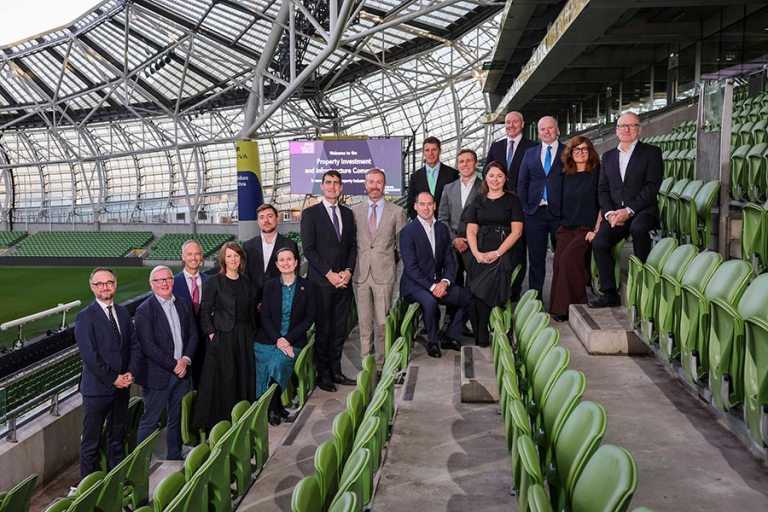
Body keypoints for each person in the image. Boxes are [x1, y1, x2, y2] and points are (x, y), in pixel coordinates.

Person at [589, 112, 663, 308]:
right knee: (600, 241)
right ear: (616, 130)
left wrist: (629, 210)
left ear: (639, 130)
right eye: (622, 126)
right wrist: (609, 213)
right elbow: (603, 189)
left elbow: (652, 187)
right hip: (615, 214)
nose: (626, 130)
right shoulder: (608, 156)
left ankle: (642, 284)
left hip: (642, 211)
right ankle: (609, 293)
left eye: (631, 126)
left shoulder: (652, 153)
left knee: (639, 229)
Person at [75, 267, 138, 477]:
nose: (105, 287)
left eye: (109, 282)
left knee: (117, 439)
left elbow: (133, 345)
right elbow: (90, 356)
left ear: (115, 284)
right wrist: (113, 379)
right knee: (91, 443)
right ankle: (88, 487)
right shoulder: (85, 317)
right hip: (97, 391)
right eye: (100, 284)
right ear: (92, 287)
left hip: (122, 388)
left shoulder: (122, 312)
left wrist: (130, 373)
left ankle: (116, 483)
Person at [301, 170, 358, 392]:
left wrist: (348, 271)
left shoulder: (348, 214)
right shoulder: (310, 214)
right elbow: (309, 250)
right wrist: (329, 274)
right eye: (328, 182)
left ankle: (336, 370)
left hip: (344, 282)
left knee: (339, 329)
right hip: (322, 283)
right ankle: (323, 375)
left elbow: (352, 246)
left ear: (341, 187)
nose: (332, 186)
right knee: (323, 330)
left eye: (336, 183)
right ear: (322, 186)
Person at [134, 266, 198, 460]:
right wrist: (174, 365)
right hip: (158, 376)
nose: (164, 283)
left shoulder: (183, 304)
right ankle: (140, 464)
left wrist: (185, 360)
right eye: (159, 280)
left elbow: (193, 335)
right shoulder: (144, 310)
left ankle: (174, 455)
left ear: (173, 281)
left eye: (168, 279)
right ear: (151, 285)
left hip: (182, 373)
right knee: (150, 421)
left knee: (176, 418)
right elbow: (148, 346)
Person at [192, 242, 256, 431]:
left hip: (244, 337)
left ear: (241, 258)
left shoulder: (246, 281)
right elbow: (205, 311)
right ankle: (222, 426)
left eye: (236, 255)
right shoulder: (214, 281)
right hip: (223, 338)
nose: (233, 259)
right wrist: (212, 334)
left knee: (243, 379)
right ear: (223, 259)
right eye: (229, 256)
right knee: (225, 381)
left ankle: (242, 421)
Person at [400, 191, 470, 358]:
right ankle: (433, 341)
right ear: (415, 206)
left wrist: (444, 282)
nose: (426, 208)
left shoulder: (442, 229)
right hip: (414, 285)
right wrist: (433, 287)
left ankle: (450, 336)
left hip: (438, 283)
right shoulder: (408, 232)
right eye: (422, 204)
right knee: (430, 302)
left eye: (429, 204)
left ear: (435, 206)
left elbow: (449, 261)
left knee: (468, 297)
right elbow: (411, 268)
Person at [465, 162, 525, 347]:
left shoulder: (513, 200)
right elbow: (471, 230)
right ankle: (480, 334)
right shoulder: (478, 200)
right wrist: (476, 253)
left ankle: (482, 334)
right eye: (491, 175)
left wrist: (497, 253)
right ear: (485, 177)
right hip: (479, 250)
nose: (495, 179)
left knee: (482, 291)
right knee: (472, 295)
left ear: (505, 178)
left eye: (499, 176)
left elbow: (517, 232)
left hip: (503, 251)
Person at [254, 247, 315, 426]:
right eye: (282, 260)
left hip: (294, 340)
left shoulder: (307, 286)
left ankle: (271, 408)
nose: (286, 263)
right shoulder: (270, 286)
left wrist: (286, 340)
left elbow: (309, 318)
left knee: (278, 364)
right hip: (268, 339)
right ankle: (277, 407)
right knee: (264, 364)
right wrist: (279, 340)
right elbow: (265, 316)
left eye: (289, 259)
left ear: (296, 262)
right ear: (277, 264)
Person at [351, 168, 407, 366]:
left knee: (383, 323)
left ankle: (382, 365)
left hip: (384, 275)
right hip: (360, 275)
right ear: (365, 185)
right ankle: (366, 365)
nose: (375, 186)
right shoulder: (354, 211)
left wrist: (387, 263)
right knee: (364, 323)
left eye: (379, 182)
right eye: (371, 182)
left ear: (384, 185)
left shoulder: (397, 212)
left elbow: (401, 247)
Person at [485, 111, 537, 300]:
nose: (511, 126)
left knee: (518, 248)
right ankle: (499, 285)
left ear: (522, 124)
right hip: (499, 203)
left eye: (515, 122)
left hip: (522, 205)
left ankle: (515, 288)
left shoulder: (532, 147)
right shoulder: (496, 146)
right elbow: (487, 171)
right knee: (498, 243)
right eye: (508, 122)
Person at [549, 137, 602, 321]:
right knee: (558, 262)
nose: (580, 153)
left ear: (590, 152)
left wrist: (596, 229)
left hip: (586, 228)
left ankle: (567, 307)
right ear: (570, 153)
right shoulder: (565, 174)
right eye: (576, 149)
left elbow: (603, 204)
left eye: (585, 149)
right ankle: (560, 306)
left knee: (568, 260)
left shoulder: (597, 173)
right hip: (566, 228)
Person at [517, 116, 565, 298]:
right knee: (536, 261)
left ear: (557, 130)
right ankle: (535, 300)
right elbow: (522, 182)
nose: (546, 132)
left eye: (550, 128)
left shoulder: (567, 152)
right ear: (538, 133)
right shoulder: (530, 153)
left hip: (560, 214)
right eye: (542, 129)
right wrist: (525, 207)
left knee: (562, 259)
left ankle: (559, 300)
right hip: (534, 214)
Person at [438, 148, 481, 336]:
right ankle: (448, 325)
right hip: (453, 246)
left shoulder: (484, 187)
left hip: (475, 246)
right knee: (452, 287)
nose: (465, 164)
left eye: (469, 161)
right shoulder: (449, 188)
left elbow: (486, 220)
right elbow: (442, 219)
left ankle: (465, 324)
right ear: (457, 165)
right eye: (461, 161)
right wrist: (454, 240)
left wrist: (471, 240)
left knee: (473, 287)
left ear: (476, 164)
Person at [243, 203, 300, 309]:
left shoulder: (289, 244)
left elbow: (295, 275)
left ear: (277, 218)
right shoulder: (248, 245)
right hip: (253, 303)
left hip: (280, 301)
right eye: (261, 217)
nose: (266, 221)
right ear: (257, 222)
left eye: (270, 216)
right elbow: (245, 275)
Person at [173, 239, 208, 388]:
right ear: (183, 256)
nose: (193, 258)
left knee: (203, 385)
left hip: (205, 345)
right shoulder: (173, 283)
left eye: (197, 254)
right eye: (189, 254)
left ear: (201, 256)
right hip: (182, 346)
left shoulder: (210, 281)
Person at [406, 137, 459, 219]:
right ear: (423, 153)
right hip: (423, 223)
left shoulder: (452, 174)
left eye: (434, 150)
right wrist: (422, 222)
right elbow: (411, 204)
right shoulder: (415, 177)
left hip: (446, 224)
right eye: (427, 150)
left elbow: (456, 202)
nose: (430, 153)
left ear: (440, 151)